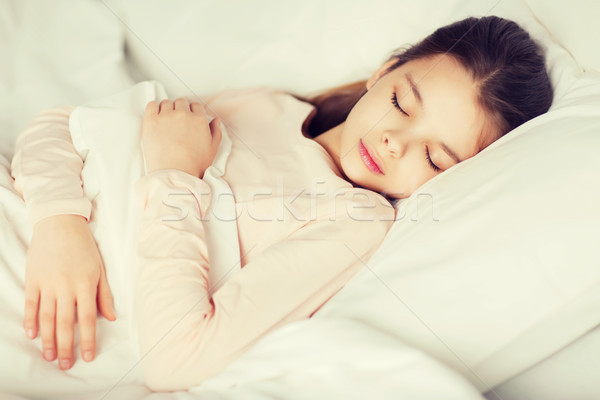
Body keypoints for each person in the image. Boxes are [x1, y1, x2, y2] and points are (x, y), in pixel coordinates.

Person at [10, 15, 552, 391]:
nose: (396, 141)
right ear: (383, 71)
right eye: (400, 103)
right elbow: (60, 125)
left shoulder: (353, 221)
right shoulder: (269, 105)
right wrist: (62, 226)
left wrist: (175, 174)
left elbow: (175, 359)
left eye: (434, 158)